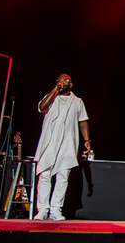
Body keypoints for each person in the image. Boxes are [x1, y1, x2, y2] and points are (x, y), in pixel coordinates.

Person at [33, 74, 91, 221]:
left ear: (71, 84)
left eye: (66, 80)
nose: (62, 82)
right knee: (44, 176)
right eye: (60, 80)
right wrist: (54, 90)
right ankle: (42, 210)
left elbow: (83, 121)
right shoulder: (50, 97)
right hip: (49, 143)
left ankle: (55, 210)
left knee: (63, 177)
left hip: (67, 144)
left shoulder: (77, 102)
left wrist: (87, 139)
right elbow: (41, 108)